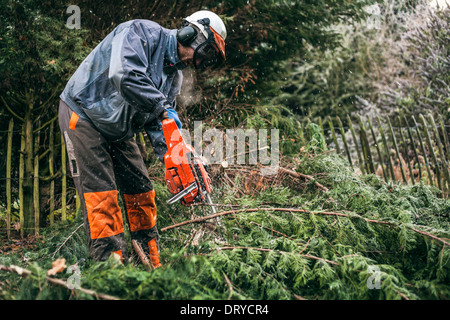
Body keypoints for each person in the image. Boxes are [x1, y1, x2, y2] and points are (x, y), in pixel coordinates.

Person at [58, 10, 227, 268]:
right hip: (84, 116)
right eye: (207, 51)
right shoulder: (140, 33)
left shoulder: (174, 77)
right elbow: (124, 75)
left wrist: (181, 161)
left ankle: (148, 265)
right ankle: (111, 274)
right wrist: (161, 108)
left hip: (119, 128)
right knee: (103, 198)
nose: (204, 60)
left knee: (142, 193)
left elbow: (160, 125)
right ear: (191, 34)